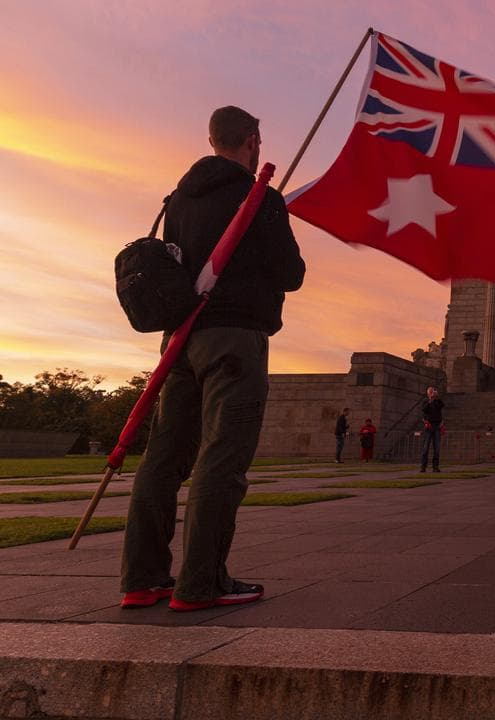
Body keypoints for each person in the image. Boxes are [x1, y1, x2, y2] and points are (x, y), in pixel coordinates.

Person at [120, 106, 305, 611]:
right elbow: (291, 272)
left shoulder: (176, 199)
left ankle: (143, 579)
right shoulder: (257, 197)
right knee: (223, 454)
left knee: (163, 457)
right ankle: (202, 582)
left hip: (179, 342)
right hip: (234, 340)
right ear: (252, 140)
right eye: (259, 142)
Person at [420, 386, 444, 473]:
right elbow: (424, 409)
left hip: (437, 426)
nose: (432, 393)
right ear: (428, 393)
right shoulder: (425, 401)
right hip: (428, 426)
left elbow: (441, 406)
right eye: (430, 392)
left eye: (433, 391)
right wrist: (430, 400)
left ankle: (435, 467)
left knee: (436, 448)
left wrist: (436, 398)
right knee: (425, 448)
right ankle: (423, 466)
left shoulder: (438, 401)